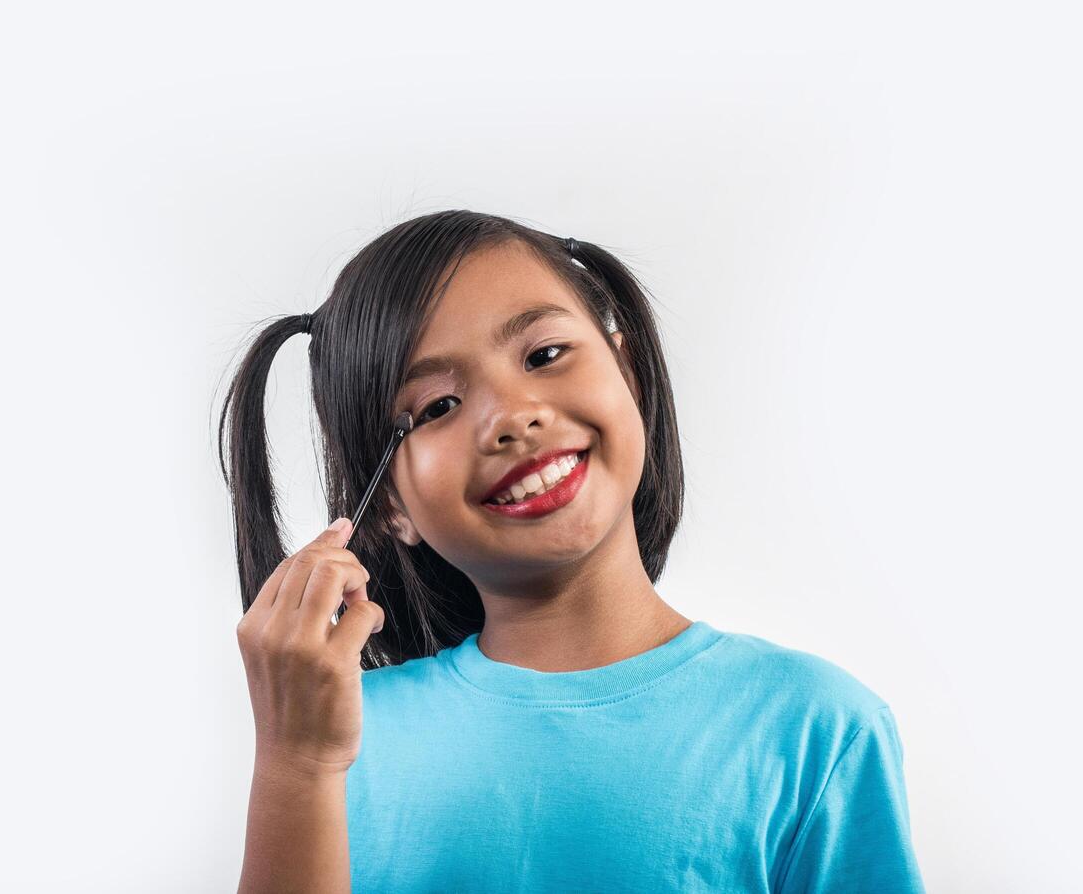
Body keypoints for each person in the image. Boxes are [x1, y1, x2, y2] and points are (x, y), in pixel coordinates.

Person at [219, 210, 925, 893]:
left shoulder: (812, 725)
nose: (512, 416)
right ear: (389, 509)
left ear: (629, 374)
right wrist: (297, 764)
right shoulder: (332, 739)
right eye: (435, 407)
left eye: (544, 355)